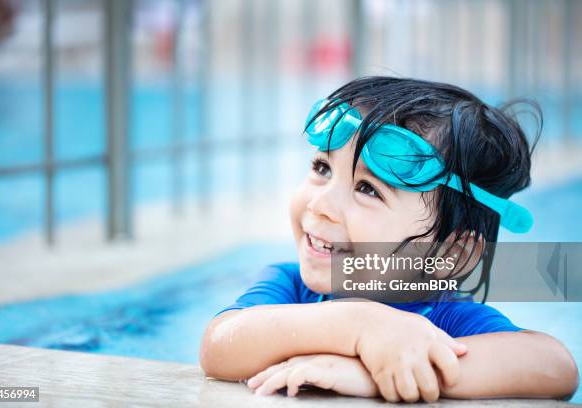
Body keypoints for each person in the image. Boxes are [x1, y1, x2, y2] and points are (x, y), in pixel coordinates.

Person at [199, 77, 579, 402]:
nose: (321, 203)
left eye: (368, 189)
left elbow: (554, 366)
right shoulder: (288, 286)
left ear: (450, 253)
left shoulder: (446, 321)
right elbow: (219, 347)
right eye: (321, 168)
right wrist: (359, 325)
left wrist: (377, 375)